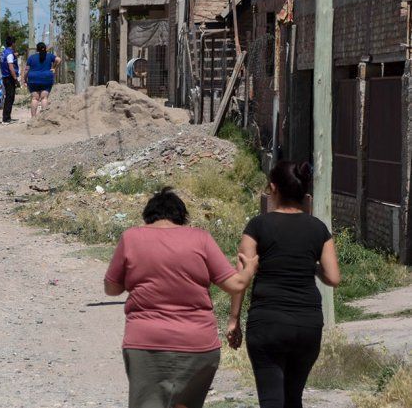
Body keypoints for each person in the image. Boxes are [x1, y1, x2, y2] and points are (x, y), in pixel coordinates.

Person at [105, 187, 259, 408]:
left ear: (148, 216)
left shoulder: (131, 238)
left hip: (146, 343)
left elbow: (111, 289)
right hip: (198, 345)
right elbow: (236, 285)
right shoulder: (201, 239)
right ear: (181, 217)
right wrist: (250, 268)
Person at [226, 161, 341, 408]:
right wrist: (310, 265)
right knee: (293, 398)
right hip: (307, 324)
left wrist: (234, 320)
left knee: (272, 399)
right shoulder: (318, 228)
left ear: (273, 188)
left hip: (267, 323)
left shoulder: (257, 226)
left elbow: (242, 275)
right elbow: (333, 277)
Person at [23, 42, 61, 118]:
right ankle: (44, 118)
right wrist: (54, 68)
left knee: (35, 99)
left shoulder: (31, 57)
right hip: (46, 79)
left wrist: (24, 79)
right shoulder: (49, 56)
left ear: (37, 49)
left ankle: (33, 118)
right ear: (45, 48)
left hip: (33, 79)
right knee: (44, 98)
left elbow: (26, 70)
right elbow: (59, 59)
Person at [0, 36, 20, 123]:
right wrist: (15, 79)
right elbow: (11, 67)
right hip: (9, 77)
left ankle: (7, 117)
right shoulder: (10, 54)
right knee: (10, 98)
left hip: (5, 76)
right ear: (13, 43)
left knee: (8, 97)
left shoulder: (4, 52)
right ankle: (6, 118)